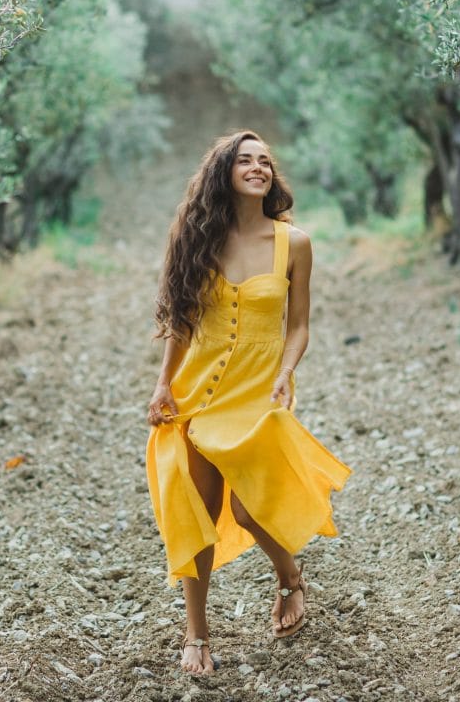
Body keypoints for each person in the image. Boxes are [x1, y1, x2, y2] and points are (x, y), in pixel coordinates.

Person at [145, 130, 353, 675]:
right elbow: (181, 322)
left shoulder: (295, 243)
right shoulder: (198, 239)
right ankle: (197, 637)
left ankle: (290, 578)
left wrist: (287, 373)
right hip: (200, 389)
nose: (258, 167)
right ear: (224, 173)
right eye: (245, 160)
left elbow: (300, 325)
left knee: (247, 506)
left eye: (265, 160)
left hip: (261, 388)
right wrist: (163, 383)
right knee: (197, 510)